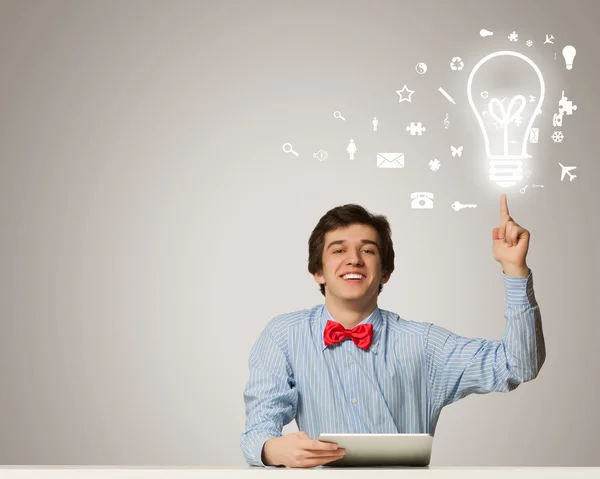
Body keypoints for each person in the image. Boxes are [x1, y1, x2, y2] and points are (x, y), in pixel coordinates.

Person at [240, 195, 546, 468]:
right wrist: (272, 450)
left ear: (385, 271)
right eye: (338, 250)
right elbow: (258, 430)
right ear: (318, 271)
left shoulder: (422, 344)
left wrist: (514, 268)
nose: (354, 259)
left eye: (368, 250)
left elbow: (517, 364)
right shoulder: (283, 336)